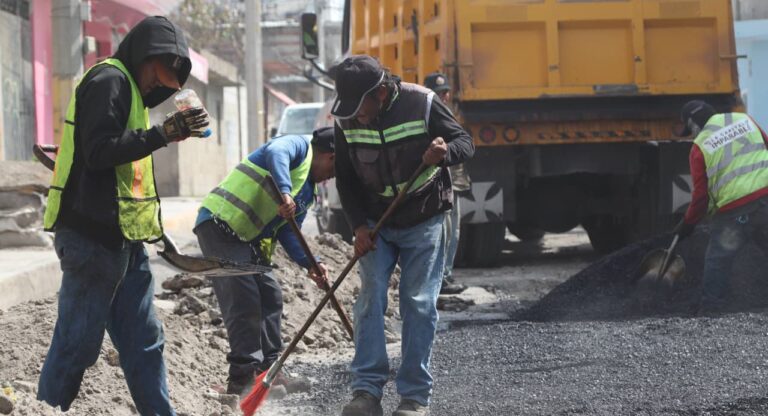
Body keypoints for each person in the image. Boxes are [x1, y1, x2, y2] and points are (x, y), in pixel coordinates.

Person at [38, 16, 208, 415]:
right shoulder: (109, 81)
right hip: (90, 238)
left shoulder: (130, 93)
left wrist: (151, 230)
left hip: (124, 243)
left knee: (144, 341)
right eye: (157, 74)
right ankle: (43, 409)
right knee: (76, 343)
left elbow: (129, 180)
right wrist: (159, 135)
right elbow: (98, 152)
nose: (156, 86)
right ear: (144, 55)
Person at [333, 56, 474, 416]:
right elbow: (346, 178)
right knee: (369, 300)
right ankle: (366, 392)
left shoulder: (422, 102)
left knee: (418, 303)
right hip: (376, 222)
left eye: (360, 107)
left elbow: (465, 142)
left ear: (380, 93)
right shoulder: (346, 118)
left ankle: (414, 397)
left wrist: (443, 154)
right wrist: (358, 227)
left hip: (423, 216)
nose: (356, 116)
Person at [194, 127, 337, 395]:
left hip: (245, 238)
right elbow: (275, 151)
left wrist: (311, 264)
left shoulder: (308, 191)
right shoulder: (298, 145)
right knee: (243, 296)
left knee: (271, 295)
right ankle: (242, 379)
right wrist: (284, 191)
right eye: (334, 169)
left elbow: (288, 231)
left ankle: (268, 372)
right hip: (219, 222)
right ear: (330, 156)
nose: (332, 177)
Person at [675, 100, 768, 314]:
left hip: (733, 214)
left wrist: (688, 224)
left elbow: (700, 197)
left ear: (694, 123)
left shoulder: (700, 146)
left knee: (718, 259)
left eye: (690, 130)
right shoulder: (746, 120)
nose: (691, 134)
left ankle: (711, 311)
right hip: (766, 202)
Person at [424, 72, 470, 295]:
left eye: (445, 92)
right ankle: (440, 277)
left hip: (455, 181)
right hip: (440, 183)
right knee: (444, 232)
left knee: (454, 232)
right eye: (439, 92)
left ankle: (446, 275)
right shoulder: (428, 116)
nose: (444, 96)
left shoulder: (451, 114)